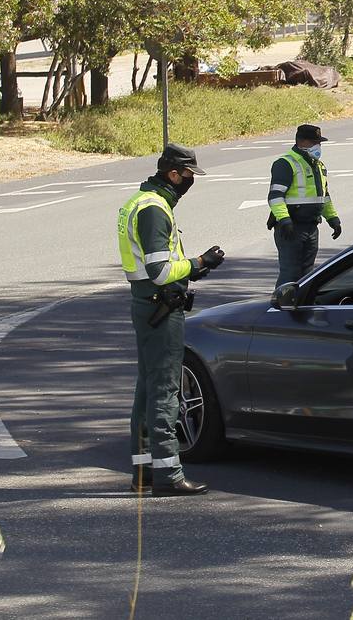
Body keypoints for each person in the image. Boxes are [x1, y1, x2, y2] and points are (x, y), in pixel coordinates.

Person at [117, 144, 224, 496]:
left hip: (148, 304)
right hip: (160, 307)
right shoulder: (153, 209)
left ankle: (144, 473)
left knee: (147, 390)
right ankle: (169, 475)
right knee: (165, 392)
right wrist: (197, 263)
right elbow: (160, 271)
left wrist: (193, 270)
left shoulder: (144, 201)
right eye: (190, 175)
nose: (192, 182)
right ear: (174, 174)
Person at [268, 124, 341, 289]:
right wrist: (284, 220)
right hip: (291, 228)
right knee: (290, 274)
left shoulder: (318, 165)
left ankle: (302, 308)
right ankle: (281, 307)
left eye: (319, 143)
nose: (318, 146)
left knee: (308, 275)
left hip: (311, 227)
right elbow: (275, 196)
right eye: (314, 142)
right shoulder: (286, 163)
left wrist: (333, 218)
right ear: (302, 142)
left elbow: (324, 196)